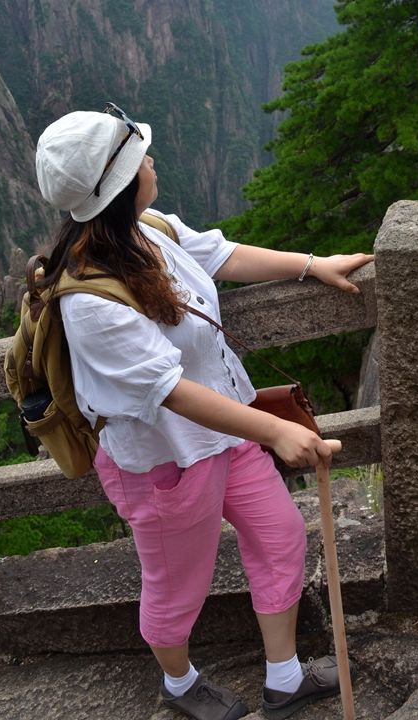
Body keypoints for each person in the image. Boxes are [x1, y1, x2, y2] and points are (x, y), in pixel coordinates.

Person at [35, 102, 374, 720]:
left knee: (280, 537)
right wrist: (276, 431)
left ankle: (284, 677)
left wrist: (311, 266)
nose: (153, 161)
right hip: (164, 462)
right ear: (117, 185)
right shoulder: (87, 299)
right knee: (176, 586)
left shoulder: (150, 229)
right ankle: (181, 684)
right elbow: (170, 391)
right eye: (140, 158)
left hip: (229, 434)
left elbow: (222, 254)